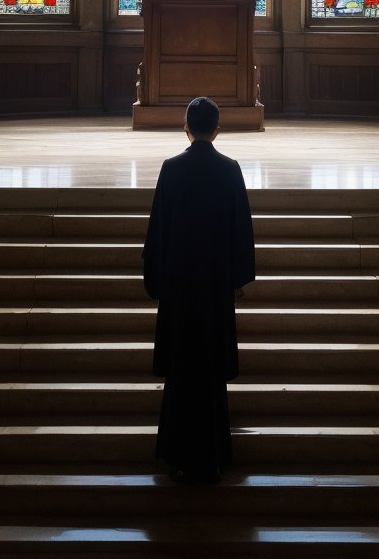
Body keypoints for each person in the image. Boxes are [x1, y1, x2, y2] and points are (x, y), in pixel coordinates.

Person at [142, 96, 256, 481]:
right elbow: (242, 229)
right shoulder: (230, 169)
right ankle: (214, 454)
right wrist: (238, 280)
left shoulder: (171, 169)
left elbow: (157, 229)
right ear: (217, 128)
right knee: (209, 372)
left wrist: (155, 281)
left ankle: (176, 452)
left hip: (179, 286)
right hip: (214, 288)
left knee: (181, 370)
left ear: (186, 128)